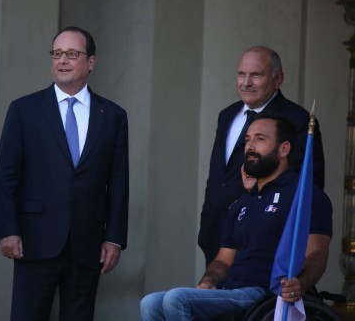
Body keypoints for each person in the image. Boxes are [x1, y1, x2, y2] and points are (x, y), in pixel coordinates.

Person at [0, 26, 129, 321]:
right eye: (57, 54)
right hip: (34, 239)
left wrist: (115, 238)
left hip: (88, 242)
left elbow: (119, 182)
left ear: (90, 62)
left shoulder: (113, 116)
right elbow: (6, 175)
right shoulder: (24, 110)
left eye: (72, 54)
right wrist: (7, 229)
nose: (62, 60)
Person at [140, 113, 332, 321]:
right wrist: (209, 280)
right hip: (231, 290)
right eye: (247, 139)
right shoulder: (242, 203)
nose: (249, 146)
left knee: (177, 299)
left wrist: (300, 284)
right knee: (150, 303)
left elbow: (316, 253)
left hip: (266, 294)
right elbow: (223, 260)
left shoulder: (305, 196)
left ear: (283, 149)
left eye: (260, 139)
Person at [198, 46, 325, 265]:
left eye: (256, 75)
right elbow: (219, 176)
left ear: (278, 79)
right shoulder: (227, 115)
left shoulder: (298, 120)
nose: (246, 82)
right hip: (216, 233)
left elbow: (307, 185)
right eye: (241, 74)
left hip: (262, 238)